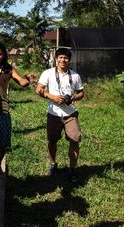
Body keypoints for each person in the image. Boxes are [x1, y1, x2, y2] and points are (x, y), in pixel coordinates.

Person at [0, 42, 31, 190]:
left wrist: (28, 80)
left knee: (3, 143)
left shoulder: (9, 70)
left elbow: (21, 81)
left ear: (4, 55)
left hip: (2, 111)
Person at [35, 47, 85, 184]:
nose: (63, 60)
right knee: (52, 141)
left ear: (69, 60)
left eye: (66, 58)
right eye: (61, 57)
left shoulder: (75, 76)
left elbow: (81, 93)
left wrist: (73, 98)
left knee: (75, 139)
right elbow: (39, 89)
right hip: (54, 113)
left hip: (70, 113)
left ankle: (72, 169)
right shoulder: (48, 73)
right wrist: (52, 97)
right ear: (56, 59)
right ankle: (53, 164)